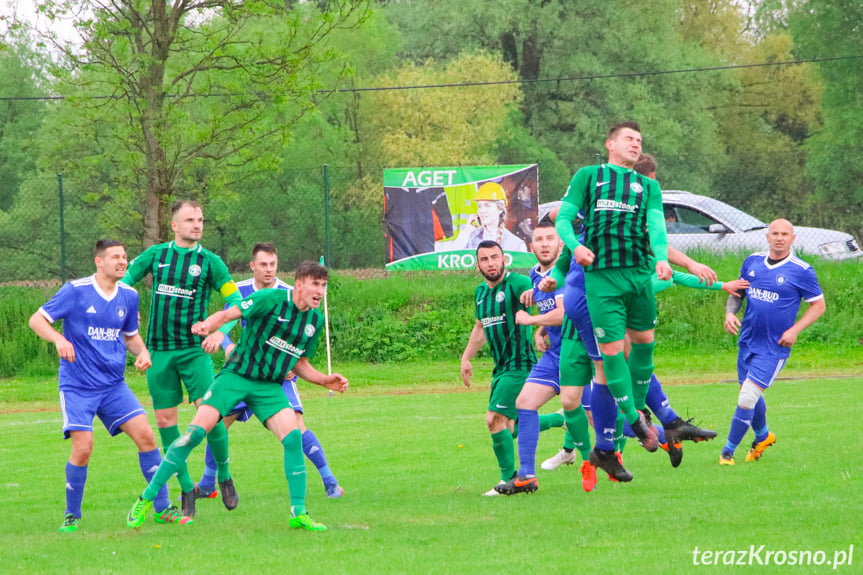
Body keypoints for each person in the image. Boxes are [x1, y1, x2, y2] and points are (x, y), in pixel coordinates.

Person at [126, 262, 348, 531]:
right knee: (193, 435)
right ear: (299, 284)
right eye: (316, 284)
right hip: (235, 377)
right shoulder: (270, 299)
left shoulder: (314, 320)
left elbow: (298, 362)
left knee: (293, 438)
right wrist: (208, 324)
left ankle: (298, 513)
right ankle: (146, 498)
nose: (320, 291)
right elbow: (230, 312)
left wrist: (325, 380)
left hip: (268, 387)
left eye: (324, 286)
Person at [29, 240, 188, 531]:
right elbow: (36, 320)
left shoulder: (129, 295)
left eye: (125, 256)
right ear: (98, 261)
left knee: (147, 438)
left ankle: (163, 508)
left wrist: (142, 352)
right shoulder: (76, 291)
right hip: (78, 386)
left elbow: (130, 336)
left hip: (114, 386)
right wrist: (59, 339)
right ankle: (72, 515)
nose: (122, 261)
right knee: (84, 448)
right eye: (115, 257)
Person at [554, 121, 672, 480]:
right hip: (601, 283)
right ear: (610, 144)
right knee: (605, 364)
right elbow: (562, 220)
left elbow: (656, 227)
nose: (636, 144)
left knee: (642, 345)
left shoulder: (647, 186)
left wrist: (663, 256)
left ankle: (633, 421)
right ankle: (631, 425)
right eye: (628, 139)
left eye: (639, 140)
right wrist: (576, 248)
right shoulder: (589, 177)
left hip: (635, 280)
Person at [122, 200, 243, 518]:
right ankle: (187, 485)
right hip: (158, 352)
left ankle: (225, 475)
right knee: (165, 421)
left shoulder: (211, 262)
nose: (197, 225)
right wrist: (124, 307)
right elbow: (124, 282)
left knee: (211, 413)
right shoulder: (156, 255)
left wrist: (220, 332)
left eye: (201, 219)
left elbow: (236, 303)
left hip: (194, 352)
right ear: (174, 225)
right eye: (190, 220)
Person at [193, 243, 343, 499]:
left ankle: (329, 480)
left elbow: (296, 345)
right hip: (244, 370)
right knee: (218, 423)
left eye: (273, 264)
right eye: (263, 264)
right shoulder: (240, 290)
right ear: (252, 266)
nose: (269, 270)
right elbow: (228, 319)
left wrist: (292, 365)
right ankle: (208, 483)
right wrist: (225, 343)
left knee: (296, 426)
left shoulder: (290, 293)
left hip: (277, 376)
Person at [494, 222, 598, 495]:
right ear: (531, 246)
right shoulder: (533, 274)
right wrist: (542, 329)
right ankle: (527, 475)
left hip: (577, 353)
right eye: (538, 239)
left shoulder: (566, 274)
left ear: (560, 245)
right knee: (524, 403)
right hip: (554, 355)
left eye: (550, 238)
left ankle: (659, 435)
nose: (544, 243)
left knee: (596, 418)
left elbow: (566, 313)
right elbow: (550, 309)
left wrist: (532, 320)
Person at [719, 219, 825, 465]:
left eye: (784, 234)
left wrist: (795, 329)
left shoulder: (802, 270)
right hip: (747, 341)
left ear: (792, 239)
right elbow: (738, 292)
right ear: (767, 237)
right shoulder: (752, 262)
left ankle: (727, 452)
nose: (779, 238)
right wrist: (729, 313)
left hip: (775, 345)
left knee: (746, 398)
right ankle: (763, 436)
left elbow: (819, 306)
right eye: (775, 233)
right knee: (749, 395)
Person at [461, 240, 537, 495]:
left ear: (505, 259)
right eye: (485, 259)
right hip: (501, 368)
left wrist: (537, 302)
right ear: (477, 264)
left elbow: (541, 295)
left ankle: (509, 479)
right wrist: (466, 358)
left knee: (494, 420)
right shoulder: (480, 293)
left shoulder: (518, 284)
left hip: (520, 364)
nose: (491, 263)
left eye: (495, 257)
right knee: (510, 427)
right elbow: (480, 327)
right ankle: (562, 419)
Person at [456, 182, 528, 252]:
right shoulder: (471, 237)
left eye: (487, 205)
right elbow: (452, 258)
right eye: (479, 206)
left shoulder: (516, 244)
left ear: (500, 209)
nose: (482, 210)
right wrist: (467, 232)